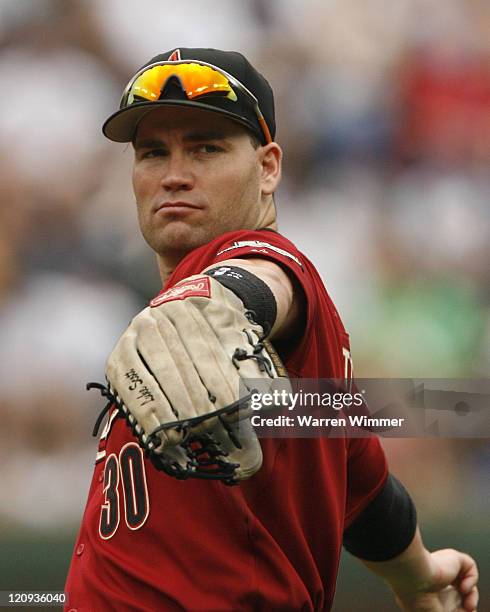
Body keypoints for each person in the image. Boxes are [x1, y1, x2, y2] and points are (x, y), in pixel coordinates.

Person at [65, 47, 479, 612]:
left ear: (267, 167)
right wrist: (420, 575)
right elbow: (367, 496)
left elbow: (263, 284)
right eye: (153, 152)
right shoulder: (308, 385)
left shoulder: (265, 264)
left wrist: (217, 302)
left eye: (206, 148)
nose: (174, 175)